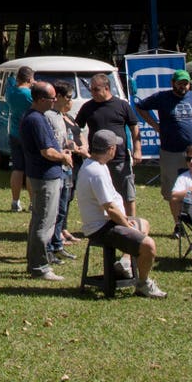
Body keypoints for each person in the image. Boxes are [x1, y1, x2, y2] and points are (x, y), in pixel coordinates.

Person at [77, 129, 167, 298]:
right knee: (149, 245)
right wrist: (127, 225)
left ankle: (125, 263)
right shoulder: (96, 172)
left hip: (109, 222)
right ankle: (143, 283)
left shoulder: (96, 165)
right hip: (101, 227)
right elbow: (110, 208)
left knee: (143, 224)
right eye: (115, 146)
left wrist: (126, 221)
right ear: (111, 149)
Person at [21, 82, 73, 281]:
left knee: (39, 220)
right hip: (45, 177)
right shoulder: (36, 119)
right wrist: (63, 157)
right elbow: (47, 152)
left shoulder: (35, 116)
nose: (55, 101)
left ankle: (34, 262)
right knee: (45, 223)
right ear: (41, 99)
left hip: (41, 175)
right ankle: (40, 267)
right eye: (52, 98)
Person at [138, 69, 192, 207]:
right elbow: (141, 107)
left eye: (186, 84)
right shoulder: (162, 97)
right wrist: (155, 125)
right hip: (170, 151)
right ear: (173, 83)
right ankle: (177, 218)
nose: (183, 86)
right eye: (180, 83)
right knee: (172, 189)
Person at [76, 74, 140, 219]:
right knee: (102, 195)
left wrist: (137, 150)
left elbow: (134, 128)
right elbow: (76, 128)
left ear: (106, 88)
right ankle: (108, 222)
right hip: (97, 159)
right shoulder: (88, 107)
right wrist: (83, 144)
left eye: (96, 89)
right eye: (91, 89)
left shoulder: (122, 105)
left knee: (127, 194)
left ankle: (132, 222)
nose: (92, 93)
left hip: (119, 158)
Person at [47, 81, 83, 256]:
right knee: (54, 210)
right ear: (59, 96)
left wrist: (70, 145)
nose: (70, 100)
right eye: (68, 97)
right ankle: (50, 247)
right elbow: (49, 144)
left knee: (62, 208)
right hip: (56, 167)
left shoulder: (61, 115)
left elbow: (62, 139)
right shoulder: (48, 116)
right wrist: (62, 152)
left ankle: (58, 245)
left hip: (67, 165)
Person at [6, 65, 35, 213]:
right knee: (30, 170)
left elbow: (10, 81)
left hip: (14, 132)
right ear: (29, 79)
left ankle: (15, 201)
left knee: (17, 168)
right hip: (28, 134)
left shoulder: (11, 92)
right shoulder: (29, 95)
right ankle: (32, 202)